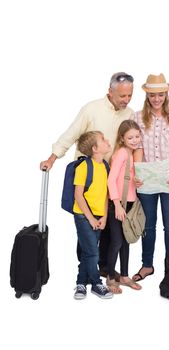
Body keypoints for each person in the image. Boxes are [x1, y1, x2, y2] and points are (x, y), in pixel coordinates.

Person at [40, 72, 134, 278]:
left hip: (114, 180)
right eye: (122, 96)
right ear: (110, 92)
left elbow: (133, 141)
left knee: (109, 226)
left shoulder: (129, 114)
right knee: (87, 223)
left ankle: (103, 267)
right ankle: (85, 267)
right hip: (90, 178)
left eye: (130, 96)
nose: (126, 100)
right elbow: (71, 134)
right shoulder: (91, 109)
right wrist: (52, 159)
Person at [131, 73, 169, 282]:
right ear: (147, 95)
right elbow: (135, 146)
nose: (156, 99)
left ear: (166, 94)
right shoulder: (136, 117)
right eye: (153, 95)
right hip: (146, 179)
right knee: (148, 225)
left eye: (160, 94)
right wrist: (135, 174)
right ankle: (147, 265)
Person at [73, 130, 113, 299]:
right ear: (95, 148)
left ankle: (81, 283)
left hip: (98, 217)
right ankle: (97, 284)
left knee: (86, 252)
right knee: (93, 253)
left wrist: (103, 217)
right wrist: (90, 218)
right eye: (103, 139)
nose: (107, 140)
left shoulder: (104, 165)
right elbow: (78, 195)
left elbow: (105, 194)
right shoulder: (83, 166)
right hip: (83, 216)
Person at [107, 120, 142, 293]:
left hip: (130, 203)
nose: (135, 140)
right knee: (116, 242)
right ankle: (111, 277)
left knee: (126, 241)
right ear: (122, 138)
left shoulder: (134, 154)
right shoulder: (121, 153)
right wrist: (116, 204)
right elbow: (111, 180)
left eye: (137, 136)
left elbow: (129, 180)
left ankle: (125, 275)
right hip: (117, 205)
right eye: (130, 137)